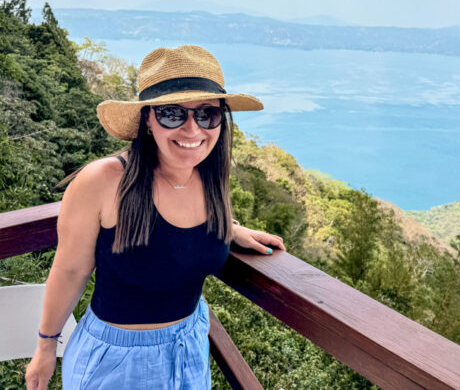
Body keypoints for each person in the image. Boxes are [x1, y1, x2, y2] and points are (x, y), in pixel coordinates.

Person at [24, 45, 286, 389]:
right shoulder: (103, 182)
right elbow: (70, 270)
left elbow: (178, 240)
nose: (192, 130)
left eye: (207, 114)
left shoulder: (210, 177)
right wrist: (45, 347)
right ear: (147, 118)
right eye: (172, 114)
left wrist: (228, 230)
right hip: (116, 363)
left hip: (190, 347)